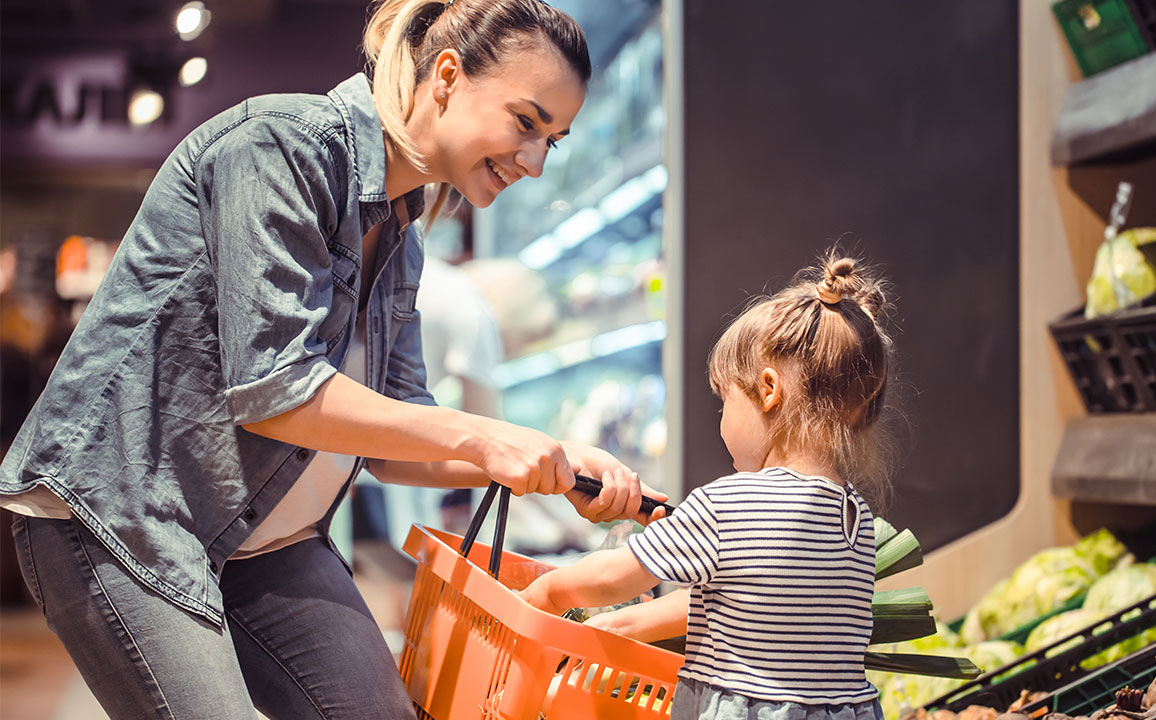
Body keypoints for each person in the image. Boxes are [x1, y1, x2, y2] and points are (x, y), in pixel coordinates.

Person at [0, 1, 667, 718]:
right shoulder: (282, 147)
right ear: (446, 75)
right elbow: (275, 387)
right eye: (526, 122)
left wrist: (555, 462)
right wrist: (489, 437)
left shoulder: (406, 235)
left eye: (553, 141)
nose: (534, 162)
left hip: (269, 541)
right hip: (129, 522)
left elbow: (396, 442)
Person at [520, 252, 897, 720]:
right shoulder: (854, 518)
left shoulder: (732, 502)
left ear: (768, 390)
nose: (721, 418)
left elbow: (613, 575)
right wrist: (625, 623)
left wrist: (546, 594)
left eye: (724, 400)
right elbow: (741, 609)